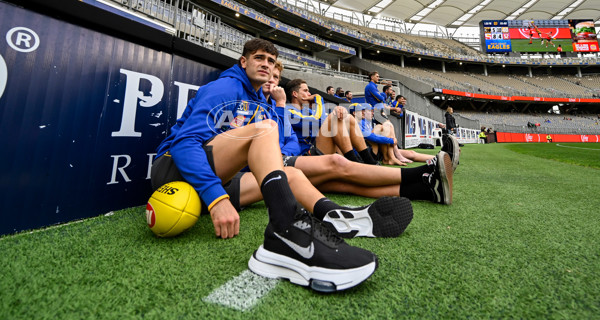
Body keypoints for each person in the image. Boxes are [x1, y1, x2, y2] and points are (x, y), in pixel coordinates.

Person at [150, 38, 378, 292]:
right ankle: (284, 233)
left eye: (271, 61)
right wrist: (216, 198)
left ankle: (334, 216)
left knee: (290, 174)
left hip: (217, 178)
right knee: (265, 131)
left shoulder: (261, 99)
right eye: (259, 58)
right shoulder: (226, 87)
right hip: (174, 172)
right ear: (243, 62)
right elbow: (185, 144)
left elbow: (278, 143)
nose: (266, 65)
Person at [227, 63, 457, 211]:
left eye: (276, 77)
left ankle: (426, 188)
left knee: (344, 178)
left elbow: (289, 140)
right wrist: (286, 106)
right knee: (341, 137)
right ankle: (416, 171)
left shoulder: (271, 106)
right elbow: (306, 127)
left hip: (292, 158)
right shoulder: (274, 106)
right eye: (267, 75)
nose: (271, 80)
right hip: (283, 162)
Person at [285, 78, 379, 165]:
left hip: (316, 150)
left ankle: (369, 162)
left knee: (347, 117)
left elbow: (330, 122)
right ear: (295, 94)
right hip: (303, 157)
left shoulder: (309, 111)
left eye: (308, 91)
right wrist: (318, 99)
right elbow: (317, 121)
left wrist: (339, 109)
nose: (309, 94)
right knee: (334, 118)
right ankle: (354, 165)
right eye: (305, 91)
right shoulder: (288, 110)